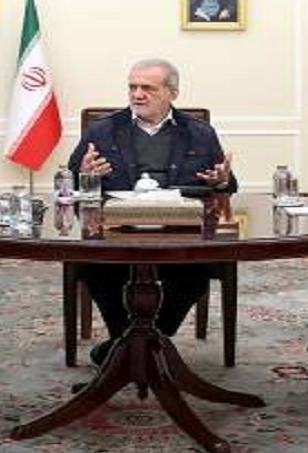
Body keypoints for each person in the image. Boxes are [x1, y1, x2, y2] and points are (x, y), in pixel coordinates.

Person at [67, 58, 236, 365]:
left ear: (173, 93)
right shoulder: (102, 130)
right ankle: (133, 343)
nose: (137, 94)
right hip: (118, 232)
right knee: (95, 266)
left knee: (197, 271)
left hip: (179, 233)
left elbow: (226, 183)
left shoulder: (199, 132)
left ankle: (138, 343)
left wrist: (220, 181)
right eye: (133, 87)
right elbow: (72, 179)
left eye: (148, 88)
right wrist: (84, 173)